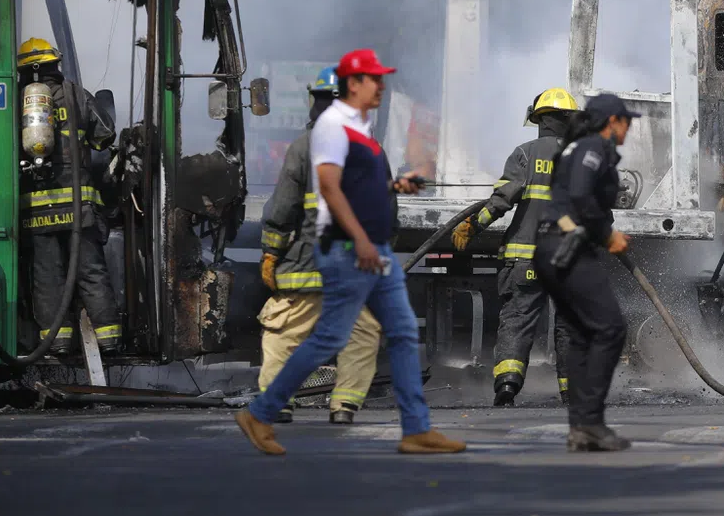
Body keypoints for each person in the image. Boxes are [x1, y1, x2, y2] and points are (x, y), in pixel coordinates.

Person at [235, 49, 465, 456]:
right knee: (341, 334)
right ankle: (278, 408)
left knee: (381, 331)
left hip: (347, 255)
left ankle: (412, 427)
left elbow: (285, 207)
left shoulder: (338, 143)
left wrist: (272, 251)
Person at [258, 66, 383, 424]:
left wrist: (271, 253)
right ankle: (344, 406)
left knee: (283, 331)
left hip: (307, 263)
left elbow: (282, 208)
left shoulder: (303, 147)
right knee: (361, 334)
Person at [452, 87, 578, 406]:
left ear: (540, 120)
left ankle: (507, 388)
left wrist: (470, 226)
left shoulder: (524, 154)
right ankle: (571, 392)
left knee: (517, 322)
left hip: (526, 262)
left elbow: (500, 202)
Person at [532, 93, 636, 453]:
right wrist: (608, 235)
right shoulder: (594, 147)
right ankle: (590, 422)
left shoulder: (575, 147)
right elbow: (579, 196)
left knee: (581, 335)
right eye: (627, 122)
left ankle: (580, 427)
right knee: (609, 328)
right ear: (612, 122)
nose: (629, 129)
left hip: (549, 247)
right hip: (568, 248)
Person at [16, 38, 119, 354]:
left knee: (48, 279)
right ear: (54, 65)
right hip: (79, 209)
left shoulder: (19, 102)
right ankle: (110, 337)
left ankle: (58, 341)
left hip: (38, 208)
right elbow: (105, 136)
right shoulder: (77, 94)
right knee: (91, 274)